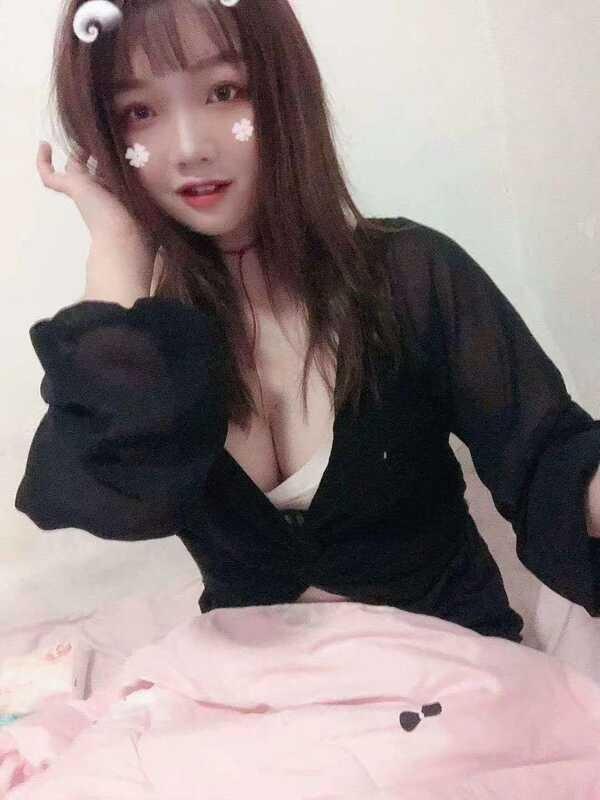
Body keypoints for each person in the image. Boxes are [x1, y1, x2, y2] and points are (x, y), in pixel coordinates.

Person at [15, 0, 600, 645]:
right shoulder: (153, 345)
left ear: (283, 91)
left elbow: (547, 463)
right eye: (139, 112)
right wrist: (117, 250)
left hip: (449, 669)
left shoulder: (411, 274)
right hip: (253, 684)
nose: (188, 148)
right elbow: (106, 495)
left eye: (224, 92)